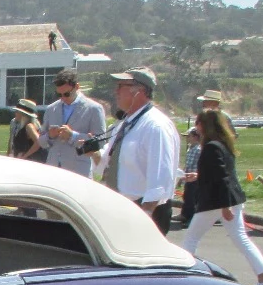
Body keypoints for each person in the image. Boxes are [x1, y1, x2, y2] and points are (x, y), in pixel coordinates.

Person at [176, 110, 263, 285]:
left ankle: (184, 276)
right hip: (228, 199)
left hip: (216, 201)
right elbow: (220, 174)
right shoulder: (223, 144)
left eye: (198, 122)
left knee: (191, 237)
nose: (196, 127)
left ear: (204, 125)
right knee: (241, 238)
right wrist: (198, 176)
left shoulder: (211, 146)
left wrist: (225, 205)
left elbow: (222, 177)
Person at [99, 67, 180, 235]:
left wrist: (145, 217)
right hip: (123, 208)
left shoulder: (155, 126)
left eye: (121, 85)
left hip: (144, 211)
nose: (116, 91)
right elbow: (109, 160)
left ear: (140, 91)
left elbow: (160, 179)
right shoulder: (126, 124)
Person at [41, 70, 107, 175]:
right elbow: (41, 141)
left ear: (77, 86)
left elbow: (100, 142)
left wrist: (73, 136)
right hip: (53, 171)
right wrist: (49, 136)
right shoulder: (51, 109)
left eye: (66, 94)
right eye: (59, 94)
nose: (63, 98)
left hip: (79, 172)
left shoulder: (94, 108)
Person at [180, 126, 202, 227]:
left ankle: (192, 219)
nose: (186, 138)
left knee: (193, 199)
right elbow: (188, 164)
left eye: (188, 136)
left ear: (195, 137)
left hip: (195, 179)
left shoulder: (198, 149)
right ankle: (185, 214)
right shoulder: (191, 148)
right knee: (187, 196)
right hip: (188, 177)